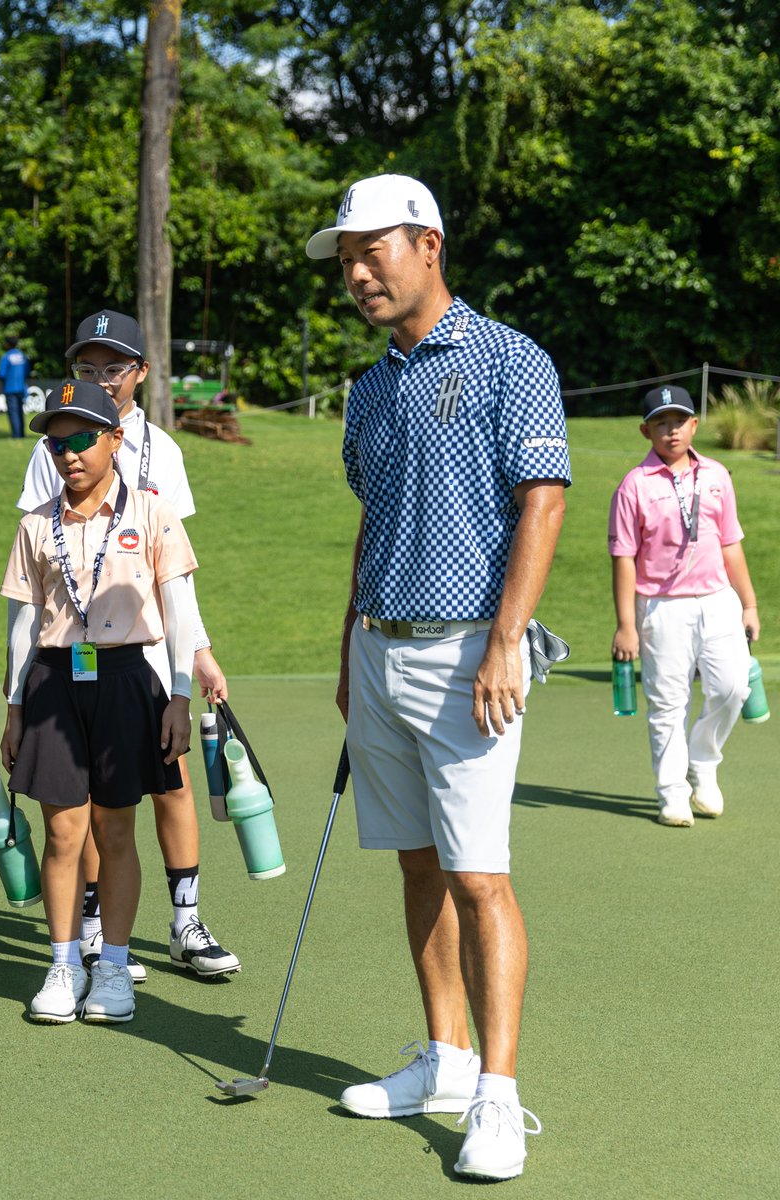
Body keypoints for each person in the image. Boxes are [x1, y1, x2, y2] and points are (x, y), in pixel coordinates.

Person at [306, 174, 571, 1182]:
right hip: (379, 647)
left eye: (372, 252)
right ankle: (446, 1061)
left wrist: (509, 639)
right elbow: (373, 521)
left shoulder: (511, 359)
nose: (358, 274)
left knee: (478, 875)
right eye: (346, 261)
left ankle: (498, 1099)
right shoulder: (369, 388)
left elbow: (541, 501)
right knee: (417, 865)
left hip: (470, 654)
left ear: (428, 243)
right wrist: (345, 650)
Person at [16, 309, 239, 981]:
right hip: (79, 646)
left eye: (113, 368)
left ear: (140, 372)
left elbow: (179, 571)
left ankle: (184, 922)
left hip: (150, 647)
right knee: (90, 800)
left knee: (168, 785)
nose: (101, 379)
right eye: (87, 369)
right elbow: (39, 551)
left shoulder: (163, 451)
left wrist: (196, 651)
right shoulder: (51, 444)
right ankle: (91, 928)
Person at [0, 381, 196, 1024]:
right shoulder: (36, 524)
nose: (69, 454)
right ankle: (62, 963)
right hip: (54, 683)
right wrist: (14, 704)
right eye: (56, 443)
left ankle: (113, 967)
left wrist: (179, 695)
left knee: (116, 827)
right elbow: (23, 624)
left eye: (83, 439)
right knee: (63, 831)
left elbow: (180, 608)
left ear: (116, 439)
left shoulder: (152, 514)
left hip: (128, 680)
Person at [609, 383, 759, 826]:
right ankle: (672, 792)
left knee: (733, 688)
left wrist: (748, 603)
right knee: (668, 703)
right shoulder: (633, 485)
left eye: (679, 422)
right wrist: (625, 625)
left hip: (718, 601)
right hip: (661, 607)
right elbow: (623, 557)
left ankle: (704, 762)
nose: (671, 431)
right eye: (661, 424)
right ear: (645, 431)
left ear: (694, 425)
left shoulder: (716, 475)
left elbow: (731, 543)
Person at [0, 335, 29, 439]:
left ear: (7, 344)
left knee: (13, 412)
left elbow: (1, 374)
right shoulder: (22, 356)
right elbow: (26, 371)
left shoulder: (6, 357)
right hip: (21, 387)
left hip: (10, 388)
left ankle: (16, 435)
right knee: (20, 411)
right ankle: (21, 434)